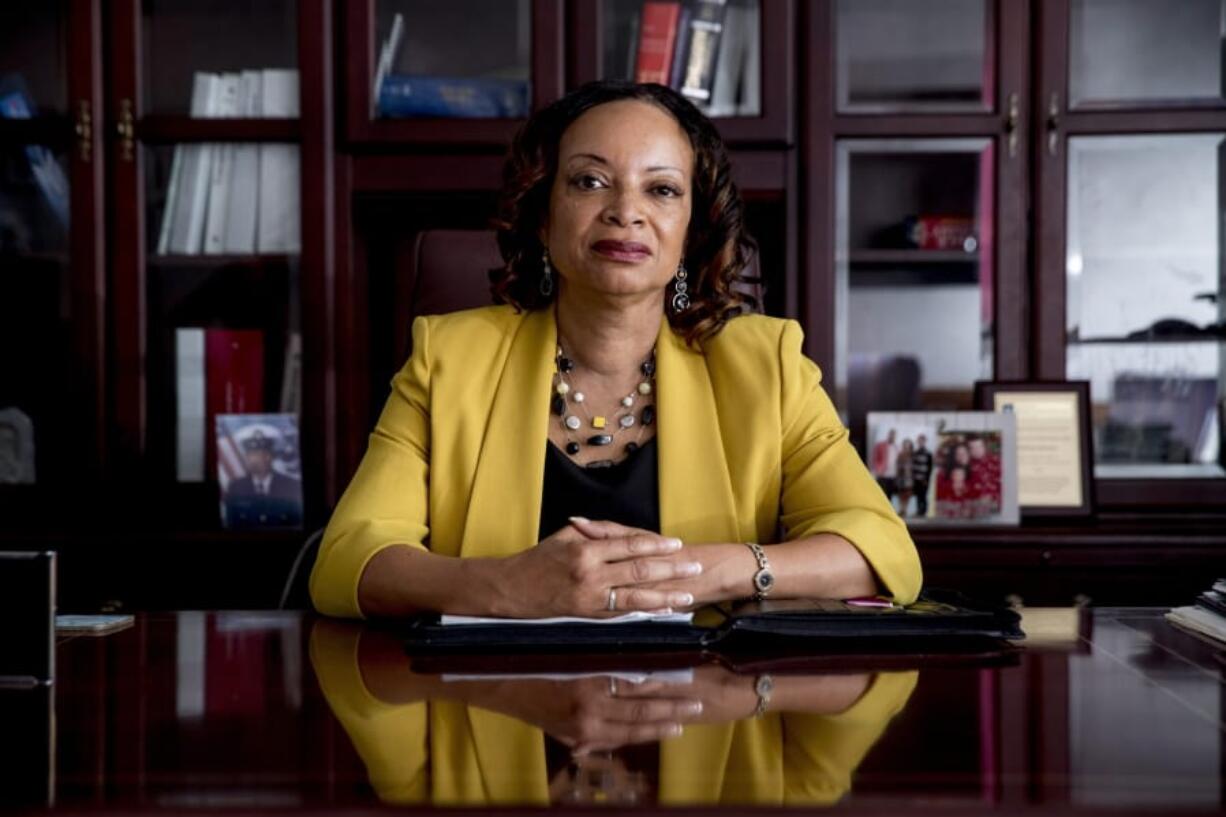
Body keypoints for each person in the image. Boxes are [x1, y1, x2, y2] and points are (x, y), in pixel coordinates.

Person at [310, 80, 922, 620]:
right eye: (590, 181)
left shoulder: (767, 366)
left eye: (661, 190)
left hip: (707, 719)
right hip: (489, 712)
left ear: (691, 232)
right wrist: (503, 584)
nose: (626, 212)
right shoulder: (448, 360)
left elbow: (880, 550)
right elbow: (347, 561)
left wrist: (704, 572)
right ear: (544, 217)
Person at [224, 431, 303, 528]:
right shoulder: (236, 487)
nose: (253, 460)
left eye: (258, 454)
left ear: (269, 457)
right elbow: (231, 524)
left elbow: (296, 523)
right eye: (250, 455)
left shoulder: (290, 485)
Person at [869, 428, 899, 504]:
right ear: (888, 435)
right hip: (882, 473)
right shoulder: (880, 445)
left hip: (893, 474)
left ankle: (888, 511)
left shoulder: (896, 447)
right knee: (882, 493)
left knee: (890, 493)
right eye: (891, 434)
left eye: (894, 435)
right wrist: (877, 470)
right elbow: (875, 458)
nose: (892, 436)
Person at [910, 434, 933, 517]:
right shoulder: (915, 453)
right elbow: (913, 466)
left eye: (922, 440)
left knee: (923, 495)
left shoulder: (928, 453)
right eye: (919, 440)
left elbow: (930, 468)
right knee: (918, 495)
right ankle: (919, 511)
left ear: (924, 442)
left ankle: (924, 511)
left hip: (924, 479)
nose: (920, 442)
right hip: (916, 479)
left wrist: (926, 479)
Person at [894, 439, 914, 516]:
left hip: (909, 478)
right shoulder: (900, 455)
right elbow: (897, 466)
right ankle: (901, 509)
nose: (906, 447)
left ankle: (905, 509)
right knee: (901, 494)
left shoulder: (912, 455)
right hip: (901, 478)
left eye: (908, 446)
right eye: (905, 445)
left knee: (907, 494)